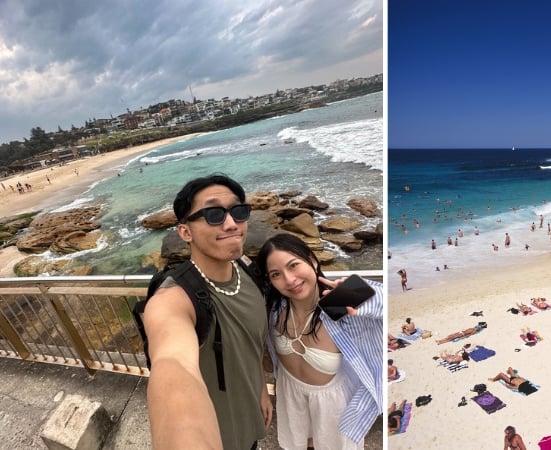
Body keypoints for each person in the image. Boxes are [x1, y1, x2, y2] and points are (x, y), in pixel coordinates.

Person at [142, 174, 271, 449]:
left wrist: (261, 389)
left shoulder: (246, 270)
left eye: (238, 211)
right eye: (213, 214)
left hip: (248, 420)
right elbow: (173, 365)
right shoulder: (175, 297)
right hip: (220, 437)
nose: (231, 224)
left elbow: (251, 344)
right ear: (185, 232)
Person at [257, 233, 383, 449]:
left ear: (312, 260)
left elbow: (383, 303)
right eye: (276, 274)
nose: (289, 279)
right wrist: (262, 392)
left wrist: (357, 291)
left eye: (294, 265)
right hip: (291, 394)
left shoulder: (338, 307)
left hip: (333, 404)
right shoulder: (274, 310)